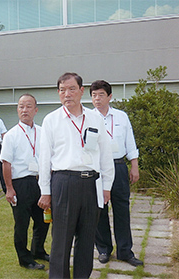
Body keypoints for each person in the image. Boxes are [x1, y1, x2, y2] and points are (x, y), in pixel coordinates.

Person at [37, 73, 115, 279]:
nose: (67, 94)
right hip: (64, 183)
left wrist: (107, 186)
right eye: (62, 90)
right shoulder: (51, 120)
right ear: (58, 93)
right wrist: (45, 191)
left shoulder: (95, 118)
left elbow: (105, 153)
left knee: (87, 239)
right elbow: (44, 159)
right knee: (61, 240)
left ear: (81, 91)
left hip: (91, 184)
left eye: (72, 89)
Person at [90, 80, 143, 267]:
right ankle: (103, 249)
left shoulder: (121, 117)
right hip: (97, 169)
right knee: (99, 210)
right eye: (94, 95)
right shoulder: (87, 118)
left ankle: (125, 251)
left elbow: (130, 142)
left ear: (110, 96)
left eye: (101, 94)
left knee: (121, 210)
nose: (97, 98)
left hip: (119, 166)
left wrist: (134, 166)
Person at [0, 94, 50, 270]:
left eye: (28, 106)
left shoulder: (43, 132)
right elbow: (6, 163)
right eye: (21, 106)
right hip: (21, 184)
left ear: (36, 110)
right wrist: (9, 189)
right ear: (17, 110)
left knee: (43, 220)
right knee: (22, 224)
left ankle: (38, 250)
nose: (24, 110)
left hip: (40, 182)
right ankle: (25, 259)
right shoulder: (11, 135)